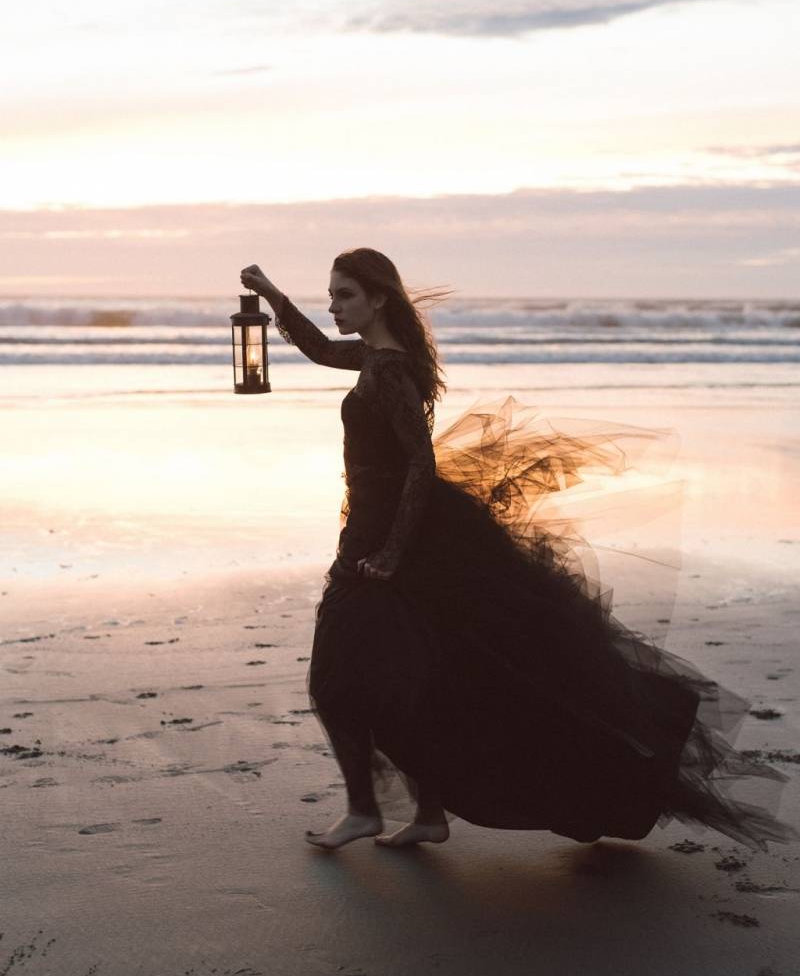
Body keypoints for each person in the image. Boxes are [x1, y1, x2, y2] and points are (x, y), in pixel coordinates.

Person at [239, 248, 796, 853]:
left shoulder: (391, 372)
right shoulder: (373, 359)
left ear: (378, 299)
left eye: (344, 294)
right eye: (331, 294)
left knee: (337, 680)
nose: (334, 305)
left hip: (392, 542)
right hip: (379, 534)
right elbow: (322, 350)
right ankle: (424, 814)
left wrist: (394, 553)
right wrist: (270, 294)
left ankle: (365, 811)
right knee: (417, 679)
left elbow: (421, 467)